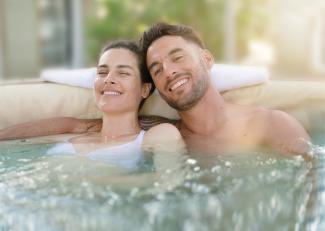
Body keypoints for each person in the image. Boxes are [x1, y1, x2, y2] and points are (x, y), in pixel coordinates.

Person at [0, 23, 310, 156]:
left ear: (206, 59)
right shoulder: (160, 131)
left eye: (177, 57)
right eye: (158, 68)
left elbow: (313, 191)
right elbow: (76, 126)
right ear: (153, 87)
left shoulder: (270, 124)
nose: (170, 71)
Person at [0, 40, 185, 184]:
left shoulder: (156, 136)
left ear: (145, 89)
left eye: (123, 73)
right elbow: (11, 140)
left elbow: (167, 183)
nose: (109, 79)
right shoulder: (70, 133)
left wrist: (72, 180)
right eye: (102, 72)